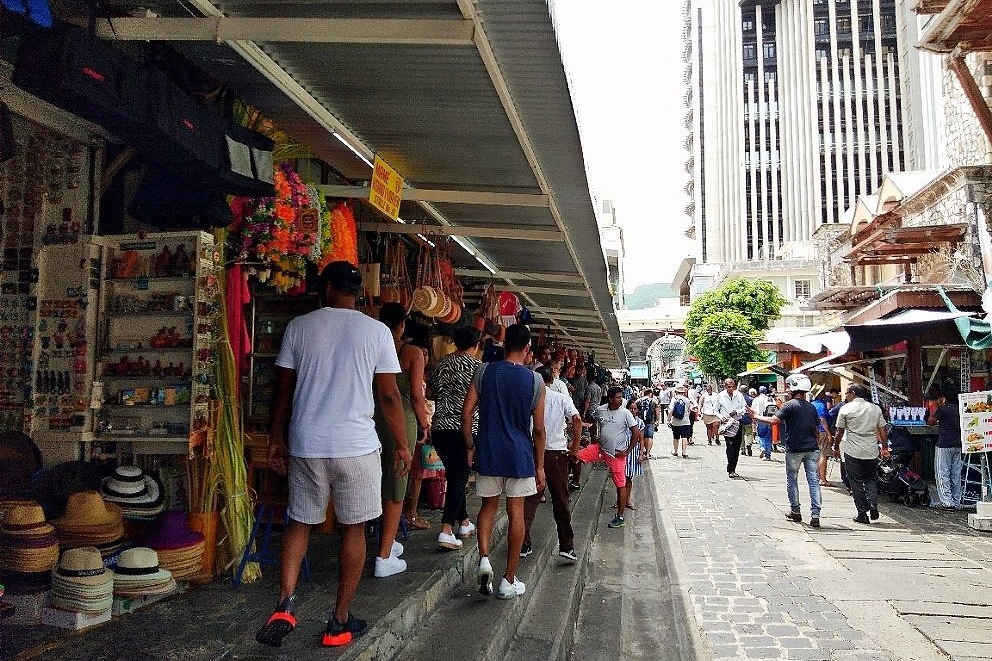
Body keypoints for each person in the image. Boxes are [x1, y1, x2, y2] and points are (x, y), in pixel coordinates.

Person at [256, 261, 411, 648]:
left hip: (308, 443)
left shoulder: (300, 327)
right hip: (356, 447)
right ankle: (338, 621)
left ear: (326, 288)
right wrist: (404, 444)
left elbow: (283, 390)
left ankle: (285, 603)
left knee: (299, 523)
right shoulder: (377, 332)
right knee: (354, 529)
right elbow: (390, 396)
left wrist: (276, 438)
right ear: (357, 293)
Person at [463, 324, 546, 600]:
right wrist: (540, 465)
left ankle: (484, 558)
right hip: (520, 455)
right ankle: (508, 579)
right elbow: (539, 430)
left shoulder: (485, 371)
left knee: (488, 507)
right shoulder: (535, 381)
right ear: (527, 349)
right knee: (516, 514)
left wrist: (470, 446)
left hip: (488, 450)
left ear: (504, 344)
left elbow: (466, 415)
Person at [372, 303, 430, 577]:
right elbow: (417, 395)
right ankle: (383, 556)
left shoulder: (372, 345)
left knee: (375, 480)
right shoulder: (412, 353)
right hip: (401, 417)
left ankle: (388, 541)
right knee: (397, 483)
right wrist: (424, 423)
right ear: (402, 325)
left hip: (371, 415)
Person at [427, 326, 482, 551]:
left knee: (454, 474)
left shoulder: (442, 364)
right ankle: (446, 529)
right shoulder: (478, 368)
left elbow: (430, 393)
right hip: (464, 428)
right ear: (476, 345)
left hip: (440, 427)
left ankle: (464, 523)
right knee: (459, 477)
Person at [522, 365, 583, 562]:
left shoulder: (529, 399)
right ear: (552, 380)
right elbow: (577, 419)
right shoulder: (561, 398)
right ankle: (566, 545)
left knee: (530, 499)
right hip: (556, 453)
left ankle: (523, 543)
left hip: (533, 451)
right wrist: (574, 447)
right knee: (560, 499)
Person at [749, 374, 822, 528]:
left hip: (795, 449)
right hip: (812, 449)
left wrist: (755, 416)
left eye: (789, 387)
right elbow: (817, 430)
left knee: (792, 480)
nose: (787, 390)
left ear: (794, 388)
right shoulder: (811, 406)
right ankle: (815, 514)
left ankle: (795, 510)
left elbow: (774, 421)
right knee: (814, 482)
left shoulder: (789, 405)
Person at [578, 386, 643, 528]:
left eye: (621, 397)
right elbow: (592, 419)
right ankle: (572, 484)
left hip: (617, 455)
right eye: (618, 397)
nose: (621, 399)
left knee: (621, 485)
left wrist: (627, 451)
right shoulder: (601, 410)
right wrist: (593, 437)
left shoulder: (625, 413)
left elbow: (636, 432)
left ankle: (620, 517)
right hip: (600, 449)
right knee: (575, 456)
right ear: (611, 399)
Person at [833, 384, 890, 524]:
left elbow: (839, 431)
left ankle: (862, 513)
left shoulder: (845, 409)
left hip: (852, 450)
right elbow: (882, 429)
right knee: (871, 479)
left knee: (855, 482)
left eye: (847, 393)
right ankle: (873, 504)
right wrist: (884, 447)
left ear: (853, 393)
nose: (845, 396)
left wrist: (835, 446)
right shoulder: (875, 409)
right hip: (871, 450)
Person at [928, 386, 963, 510]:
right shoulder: (960, 409)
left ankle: (947, 502)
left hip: (944, 445)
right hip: (958, 444)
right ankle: (956, 501)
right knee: (956, 474)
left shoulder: (943, 409)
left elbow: (931, 421)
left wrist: (935, 407)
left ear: (944, 398)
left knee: (942, 473)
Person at [616, 400, 646, 509]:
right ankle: (619, 500)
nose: (633, 411)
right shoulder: (622, 421)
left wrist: (641, 454)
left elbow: (641, 440)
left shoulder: (640, 423)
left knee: (628, 478)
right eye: (631, 408)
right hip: (622, 451)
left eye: (635, 409)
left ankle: (627, 500)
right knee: (620, 477)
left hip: (633, 452)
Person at [716, 378, 747, 476]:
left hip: (737, 422)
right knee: (730, 446)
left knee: (737, 446)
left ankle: (733, 467)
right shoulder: (720, 396)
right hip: (727, 424)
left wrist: (736, 412)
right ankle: (730, 468)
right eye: (729, 387)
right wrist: (721, 417)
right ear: (725, 386)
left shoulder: (739, 395)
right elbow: (715, 410)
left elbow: (744, 408)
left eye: (733, 386)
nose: (731, 388)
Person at [811, 387, 834, 487]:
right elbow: (822, 419)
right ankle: (823, 479)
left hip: (814, 431)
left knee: (818, 454)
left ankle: (817, 476)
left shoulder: (812, 404)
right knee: (823, 455)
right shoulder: (820, 405)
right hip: (822, 432)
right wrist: (828, 433)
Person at [668, 383, 695, 457]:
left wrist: (669, 419)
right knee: (684, 437)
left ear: (676, 391)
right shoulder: (687, 400)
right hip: (685, 421)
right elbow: (689, 411)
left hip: (675, 421)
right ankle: (684, 452)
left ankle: (676, 451)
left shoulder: (674, 399)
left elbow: (671, 410)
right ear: (683, 392)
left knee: (676, 437)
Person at [635, 387, 659, 459]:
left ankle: (642, 452)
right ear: (650, 393)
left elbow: (635, 409)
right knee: (649, 437)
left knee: (641, 437)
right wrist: (657, 420)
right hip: (650, 421)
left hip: (640, 421)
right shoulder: (654, 401)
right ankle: (648, 453)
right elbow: (657, 412)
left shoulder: (638, 401)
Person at [751, 386, 773, 460]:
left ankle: (762, 448)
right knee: (768, 437)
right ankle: (768, 455)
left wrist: (753, 419)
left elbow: (753, 410)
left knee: (760, 436)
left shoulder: (756, 399)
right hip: (769, 420)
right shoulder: (770, 399)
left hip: (760, 419)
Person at [740, 387, 756, 457]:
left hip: (740, 419)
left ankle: (743, 449)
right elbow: (753, 409)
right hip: (748, 419)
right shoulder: (751, 399)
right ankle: (749, 444)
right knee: (749, 434)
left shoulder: (738, 399)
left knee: (741, 435)